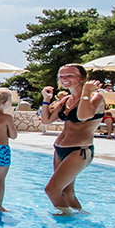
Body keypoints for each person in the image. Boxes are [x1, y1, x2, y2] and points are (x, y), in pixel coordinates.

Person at [39, 63, 105, 214]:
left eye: (70, 75)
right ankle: (81, 216)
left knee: (52, 190)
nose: (64, 79)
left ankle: (67, 218)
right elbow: (46, 120)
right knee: (66, 193)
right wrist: (46, 99)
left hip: (79, 151)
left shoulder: (96, 97)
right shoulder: (66, 99)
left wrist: (86, 92)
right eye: (61, 76)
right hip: (60, 149)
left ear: (81, 77)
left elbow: (83, 116)